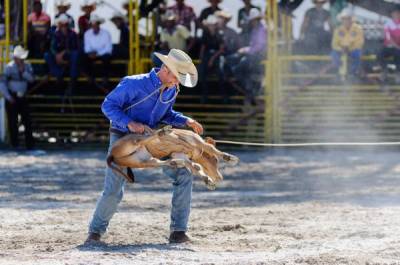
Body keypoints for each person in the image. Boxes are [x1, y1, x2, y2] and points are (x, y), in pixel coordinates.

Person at [85, 49, 203, 244]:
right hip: (123, 136)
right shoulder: (134, 83)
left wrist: (185, 120)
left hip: (152, 138)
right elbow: (108, 105)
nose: (178, 82)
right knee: (114, 188)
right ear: (166, 69)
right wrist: (130, 123)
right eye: (177, 77)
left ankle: (178, 232)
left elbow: (165, 114)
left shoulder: (172, 88)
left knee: (184, 172)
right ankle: (95, 232)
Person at [226, 8, 267, 99]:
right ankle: (249, 87)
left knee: (238, 68)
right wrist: (245, 49)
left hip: (258, 56)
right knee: (231, 59)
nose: (252, 22)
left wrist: (246, 50)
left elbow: (259, 46)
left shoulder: (261, 29)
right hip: (254, 54)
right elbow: (254, 46)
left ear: (256, 19)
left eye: (253, 20)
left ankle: (249, 89)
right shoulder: (256, 29)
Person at [0, 46, 35, 150]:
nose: (21, 60)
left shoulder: (28, 66)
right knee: (12, 122)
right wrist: (8, 96)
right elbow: (2, 83)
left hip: (23, 96)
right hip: (12, 97)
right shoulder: (9, 67)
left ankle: (30, 144)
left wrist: (23, 72)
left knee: (27, 121)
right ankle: (15, 144)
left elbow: (32, 80)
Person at [44, 14, 79, 94]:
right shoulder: (55, 34)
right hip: (58, 56)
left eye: (65, 24)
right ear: (59, 25)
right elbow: (52, 47)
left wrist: (63, 53)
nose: (64, 26)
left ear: (68, 25)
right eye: (62, 24)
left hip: (68, 56)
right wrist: (56, 55)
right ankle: (58, 75)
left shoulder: (73, 34)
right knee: (47, 55)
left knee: (75, 54)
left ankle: (72, 79)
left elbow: (75, 47)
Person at [198, 15, 225, 103]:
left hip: (217, 56)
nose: (211, 26)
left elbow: (221, 49)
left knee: (221, 72)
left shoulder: (220, 34)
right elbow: (203, 48)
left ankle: (222, 95)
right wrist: (202, 59)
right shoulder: (205, 34)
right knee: (201, 73)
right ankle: (204, 95)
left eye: (213, 24)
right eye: (210, 25)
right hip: (207, 56)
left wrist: (212, 59)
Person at [331, 9, 364, 76]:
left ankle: (353, 72)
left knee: (357, 54)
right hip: (341, 50)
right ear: (342, 20)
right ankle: (338, 72)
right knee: (334, 54)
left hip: (353, 50)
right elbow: (334, 44)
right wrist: (341, 49)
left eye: (348, 18)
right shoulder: (338, 29)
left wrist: (349, 48)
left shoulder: (358, 29)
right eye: (344, 19)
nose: (346, 20)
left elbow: (360, 42)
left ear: (351, 19)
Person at [84, 14, 112, 89]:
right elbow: (87, 48)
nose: (94, 26)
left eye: (96, 23)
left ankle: (105, 78)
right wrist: (91, 53)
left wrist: (97, 54)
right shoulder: (87, 34)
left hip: (102, 54)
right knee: (84, 58)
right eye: (93, 24)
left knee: (107, 57)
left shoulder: (106, 33)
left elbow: (108, 49)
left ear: (99, 24)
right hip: (92, 54)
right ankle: (89, 78)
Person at [376, 5, 400, 74]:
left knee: (399, 55)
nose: (396, 15)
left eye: (398, 13)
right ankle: (384, 70)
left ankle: (398, 73)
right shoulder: (388, 23)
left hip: (397, 48)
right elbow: (388, 38)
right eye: (394, 13)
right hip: (388, 47)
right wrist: (397, 47)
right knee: (379, 55)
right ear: (392, 14)